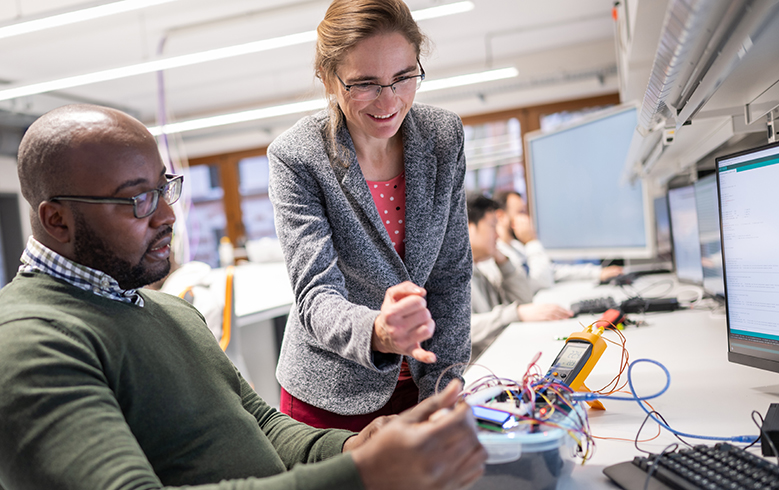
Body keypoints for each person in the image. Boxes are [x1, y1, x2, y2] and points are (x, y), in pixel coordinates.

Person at [0, 104, 487, 490]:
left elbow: (260, 426)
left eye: (165, 187)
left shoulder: (169, 311)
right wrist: (361, 476)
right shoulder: (21, 345)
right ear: (56, 219)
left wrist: (356, 446)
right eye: (136, 200)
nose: (167, 215)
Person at [267, 0, 472, 431]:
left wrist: (443, 384)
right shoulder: (297, 156)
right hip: (331, 393)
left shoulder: (442, 137)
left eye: (403, 77)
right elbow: (316, 296)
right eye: (365, 84)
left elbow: (451, 275)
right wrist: (379, 331)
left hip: (422, 380)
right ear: (328, 78)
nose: (389, 100)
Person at [467, 193, 573, 357]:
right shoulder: (450, 277)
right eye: (492, 226)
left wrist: (503, 261)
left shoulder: (480, 268)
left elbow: (524, 300)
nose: (497, 234)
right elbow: (458, 329)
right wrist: (516, 314)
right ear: (468, 227)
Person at [492, 190, 623, 292]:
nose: (526, 218)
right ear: (501, 216)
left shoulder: (516, 247)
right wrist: (531, 241)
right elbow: (541, 282)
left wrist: (597, 273)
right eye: (521, 212)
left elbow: (552, 271)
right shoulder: (501, 254)